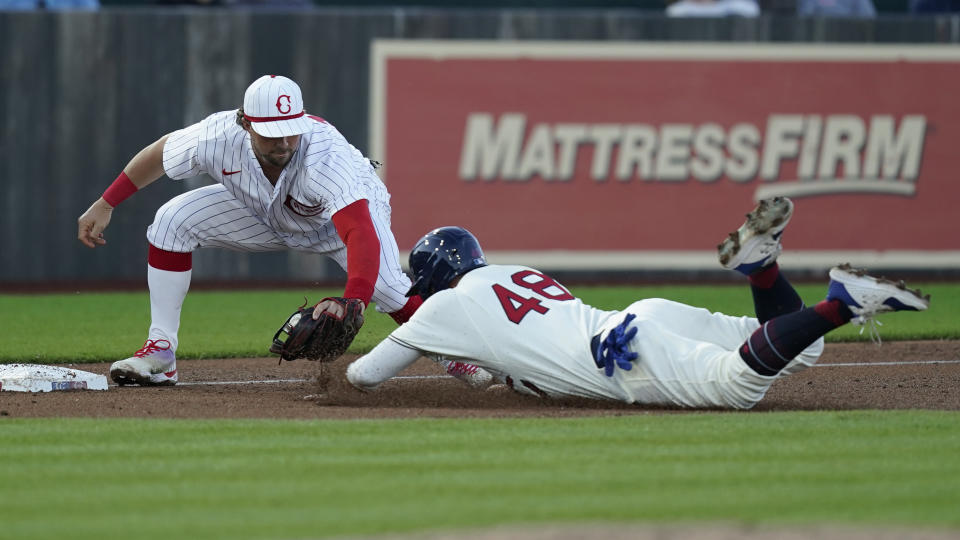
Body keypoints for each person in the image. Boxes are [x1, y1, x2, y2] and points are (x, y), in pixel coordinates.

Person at [345, 197, 930, 409]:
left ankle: (843, 302)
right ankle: (762, 268)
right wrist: (464, 365)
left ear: (434, 281)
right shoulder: (514, 273)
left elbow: (363, 376)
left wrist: (410, 342)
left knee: (737, 386)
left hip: (621, 357)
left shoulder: (445, 310)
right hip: (637, 317)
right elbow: (495, 365)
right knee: (804, 350)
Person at [77, 75, 432, 387]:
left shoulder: (325, 158)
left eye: (291, 130)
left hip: (338, 224)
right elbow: (159, 153)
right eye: (272, 134)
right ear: (246, 123)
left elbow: (359, 231)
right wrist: (106, 203)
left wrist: (354, 298)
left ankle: (464, 360)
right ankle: (161, 353)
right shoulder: (216, 136)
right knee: (172, 221)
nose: (284, 143)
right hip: (265, 211)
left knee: (391, 292)